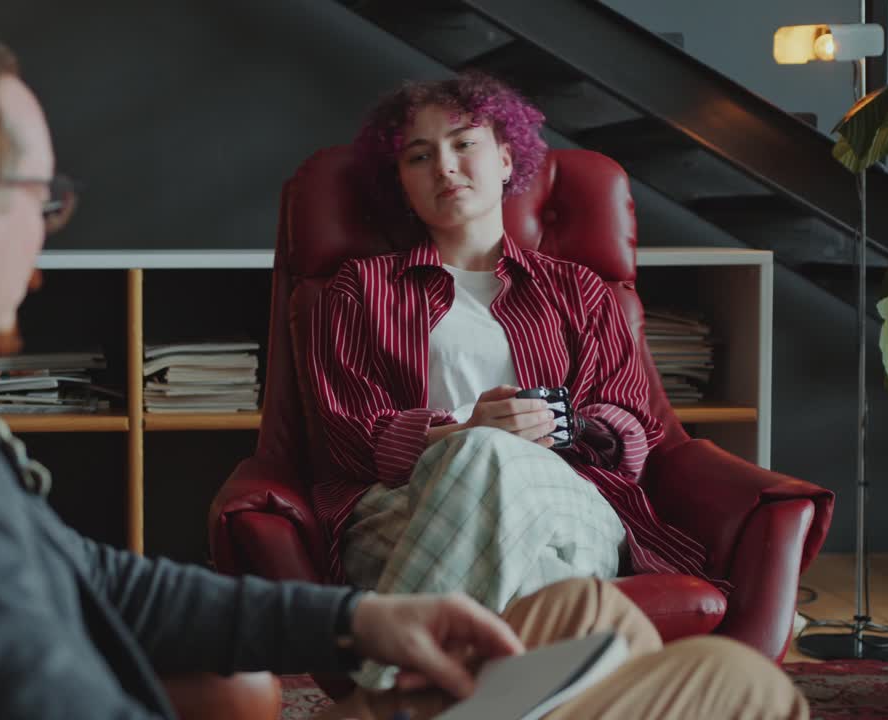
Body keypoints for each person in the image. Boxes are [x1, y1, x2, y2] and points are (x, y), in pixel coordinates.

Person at [0, 19, 806, 720]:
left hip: (518, 532)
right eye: (43, 201)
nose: (48, 237)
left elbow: (95, 581)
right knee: (736, 684)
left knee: (597, 622)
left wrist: (353, 625)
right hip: (422, 501)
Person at [306, 73, 726, 687]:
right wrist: (464, 431)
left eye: (463, 144)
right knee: (542, 564)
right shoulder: (360, 289)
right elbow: (348, 435)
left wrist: (563, 424)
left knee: (492, 454)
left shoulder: (579, 290)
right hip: (402, 507)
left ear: (506, 160)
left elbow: (633, 428)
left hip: (570, 500)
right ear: (402, 184)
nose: (444, 166)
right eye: (419, 157)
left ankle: (378, 696)